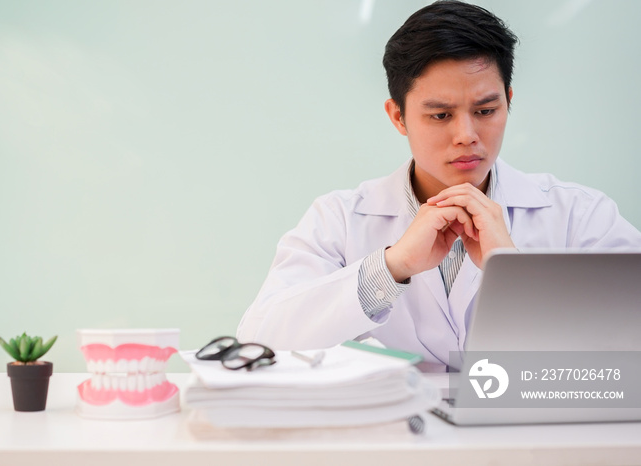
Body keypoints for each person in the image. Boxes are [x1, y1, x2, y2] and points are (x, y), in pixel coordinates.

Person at [236, 0, 641, 370]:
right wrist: (391, 267)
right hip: (400, 443)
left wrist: (514, 273)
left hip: (538, 444)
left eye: (485, 109)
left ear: (508, 100)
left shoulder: (582, 215)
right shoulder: (340, 218)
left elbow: (628, 344)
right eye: (441, 115)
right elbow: (259, 341)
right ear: (398, 116)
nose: (466, 134)